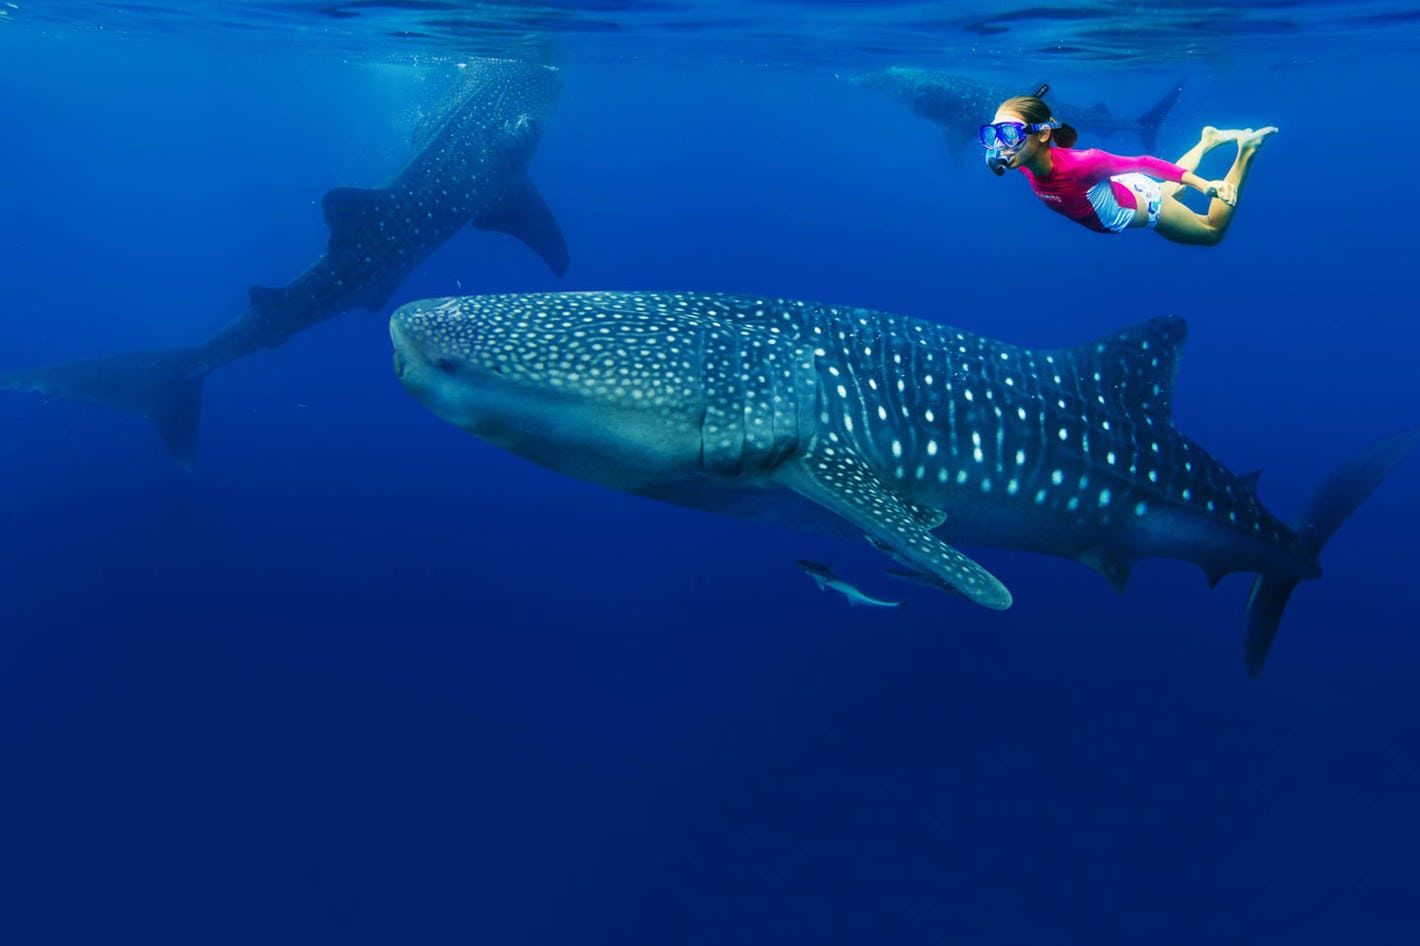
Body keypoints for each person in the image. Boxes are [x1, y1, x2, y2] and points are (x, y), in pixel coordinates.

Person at [981, 94, 1276, 245]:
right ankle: (1207, 141)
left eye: (1008, 134)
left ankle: (1247, 150)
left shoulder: (1083, 163)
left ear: (1043, 134)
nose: (1000, 146)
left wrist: (1206, 186)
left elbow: (1145, 164)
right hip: (1124, 190)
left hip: (1146, 205)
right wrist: (1006, 140)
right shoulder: (1020, 160)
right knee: (1168, 190)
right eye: (994, 136)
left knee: (1211, 232)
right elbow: (999, 155)